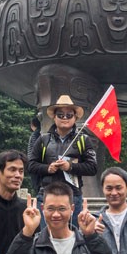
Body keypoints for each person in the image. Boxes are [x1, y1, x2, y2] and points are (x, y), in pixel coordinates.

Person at [27, 95, 98, 226]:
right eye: (60, 115)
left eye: (69, 115)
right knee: (46, 235)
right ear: (54, 117)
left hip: (73, 197)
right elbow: (31, 165)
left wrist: (70, 167)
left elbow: (92, 167)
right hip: (47, 196)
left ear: (75, 117)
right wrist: (47, 168)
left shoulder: (83, 140)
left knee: (73, 235)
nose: (65, 118)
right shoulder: (43, 139)